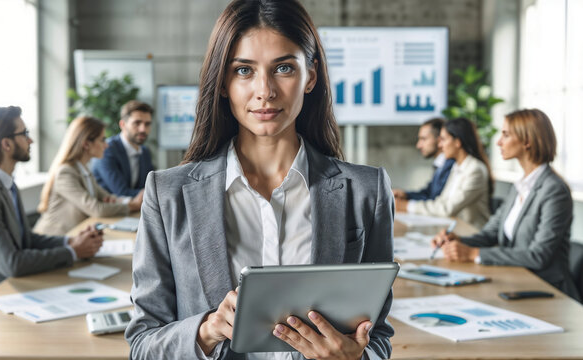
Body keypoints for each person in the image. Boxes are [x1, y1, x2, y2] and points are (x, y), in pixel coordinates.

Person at [125, 0, 395, 359]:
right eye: (243, 71)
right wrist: (205, 332)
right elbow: (142, 345)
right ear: (222, 82)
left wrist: (356, 357)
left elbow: (378, 339)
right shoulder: (167, 194)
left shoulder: (367, 191)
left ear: (310, 76)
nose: (264, 90)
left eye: (283, 68)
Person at [0, 107, 103, 308]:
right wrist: (73, 251)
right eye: (24, 134)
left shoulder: (7, 185)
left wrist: (71, 241)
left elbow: (26, 239)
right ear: (6, 144)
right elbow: (12, 263)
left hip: (12, 291)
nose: (30, 140)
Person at [432, 109, 581, 301]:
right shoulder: (520, 186)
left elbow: (538, 255)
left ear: (527, 141)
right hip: (515, 281)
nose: (498, 142)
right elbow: (490, 234)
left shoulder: (554, 190)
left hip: (546, 291)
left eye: (506, 135)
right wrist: (457, 241)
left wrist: (474, 253)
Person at [34, 116, 142, 236]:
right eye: (102, 140)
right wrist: (132, 206)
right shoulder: (66, 172)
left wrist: (123, 201)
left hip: (76, 236)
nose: (106, 145)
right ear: (86, 144)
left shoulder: (84, 169)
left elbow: (106, 197)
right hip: (54, 239)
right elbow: (96, 209)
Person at [396, 117, 492, 229]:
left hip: (472, 233)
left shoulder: (475, 170)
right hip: (455, 230)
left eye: (443, 140)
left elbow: (447, 209)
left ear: (457, 142)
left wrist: (408, 206)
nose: (440, 145)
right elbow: (441, 201)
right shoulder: (457, 167)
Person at [92, 100, 154, 197]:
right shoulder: (107, 150)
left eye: (147, 124)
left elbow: (148, 187)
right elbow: (121, 193)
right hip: (111, 210)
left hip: (135, 210)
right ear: (123, 125)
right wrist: (155, 193)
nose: (143, 129)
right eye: (137, 123)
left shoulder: (145, 152)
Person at [393, 117, 455, 201]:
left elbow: (436, 200)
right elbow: (428, 194)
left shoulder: (451, 166)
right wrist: (405, 195)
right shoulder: (440, 165)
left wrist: (407, 206)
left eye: (423, 139)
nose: (418, 145)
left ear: (440, 139)